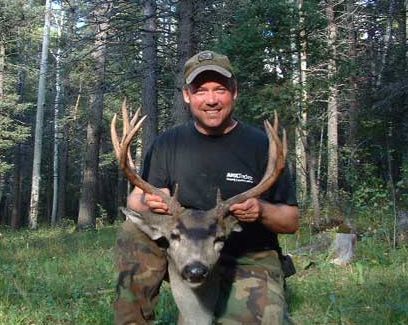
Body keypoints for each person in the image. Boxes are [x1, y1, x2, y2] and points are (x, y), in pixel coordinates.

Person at [113, 50, 299, 325]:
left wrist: (261, 210)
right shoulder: (167, 144)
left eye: (220, 90)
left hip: (247, 256)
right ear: (187, 96)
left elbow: (292, 220)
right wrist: (152, 200)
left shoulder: (262, 146)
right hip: (183, 248)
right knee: (133, 230)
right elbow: (135, 202)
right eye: (201, 91)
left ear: (234, 92)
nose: (211, 100)